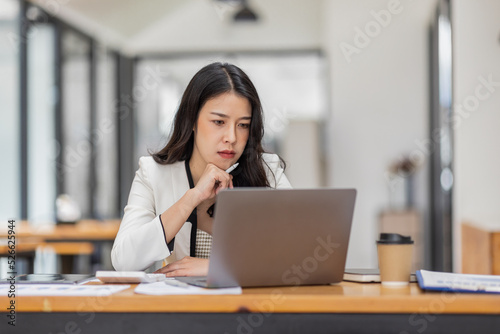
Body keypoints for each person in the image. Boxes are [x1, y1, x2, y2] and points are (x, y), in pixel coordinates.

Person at [111, 62, 291, 276]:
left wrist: (216, 267)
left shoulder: (267, 170)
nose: (232, 138)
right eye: (218, 122)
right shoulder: (153, 173)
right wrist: (191, 200)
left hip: (251, 305)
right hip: (184, 306)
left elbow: (298, 254)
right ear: (192, 120)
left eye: (242, 125)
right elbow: (124, 261)